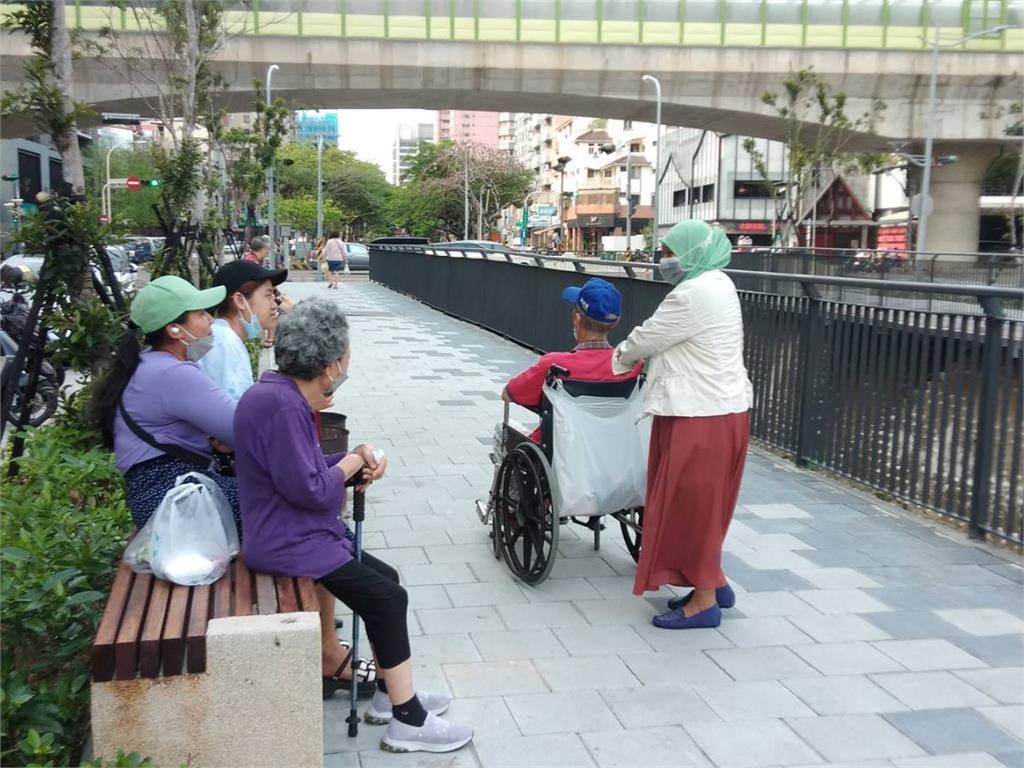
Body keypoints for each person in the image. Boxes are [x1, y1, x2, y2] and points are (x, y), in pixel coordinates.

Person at [233, 299, 473, 753]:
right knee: (387, 597)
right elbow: (314, 491)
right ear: (329, 364)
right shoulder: (284, 407)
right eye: (344, 359)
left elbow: (298, 471)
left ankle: (389, 693)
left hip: (292, 531)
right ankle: (407, 720)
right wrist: (348, 463)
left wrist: (351, 461)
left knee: (385, 581)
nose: (344, 368)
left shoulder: (278, 395)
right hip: (288, 540)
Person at [612, 220, 752, 630]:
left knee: (690, 509)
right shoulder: (720, 283)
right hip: (726, 410)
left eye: (671, 252)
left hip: (699, 416)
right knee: (709, 508)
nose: (665, 260)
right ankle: (714, 581)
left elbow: (647, 339)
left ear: (691, 252)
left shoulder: (692, 294)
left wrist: (619, 356)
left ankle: (704, 602)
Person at [92, 275, 240, 531]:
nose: (210, 321)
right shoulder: (174, 373)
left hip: (158, 498)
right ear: (175, 330)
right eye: (201, 313)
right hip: (178, 500)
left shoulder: (146, 364)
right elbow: (245, 429)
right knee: (277, 498)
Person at [503, 277, 642, 443]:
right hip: (612, 449)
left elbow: (509, 394)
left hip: (562, 451)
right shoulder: (632, 364)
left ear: (577, 318)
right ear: (616, 322)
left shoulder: (554, 365)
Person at [200, 260, 288, 402]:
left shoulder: (220, 335)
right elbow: (238, 415)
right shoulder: (226, 344)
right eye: (268, 295)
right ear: (240, 301)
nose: (274, 305)